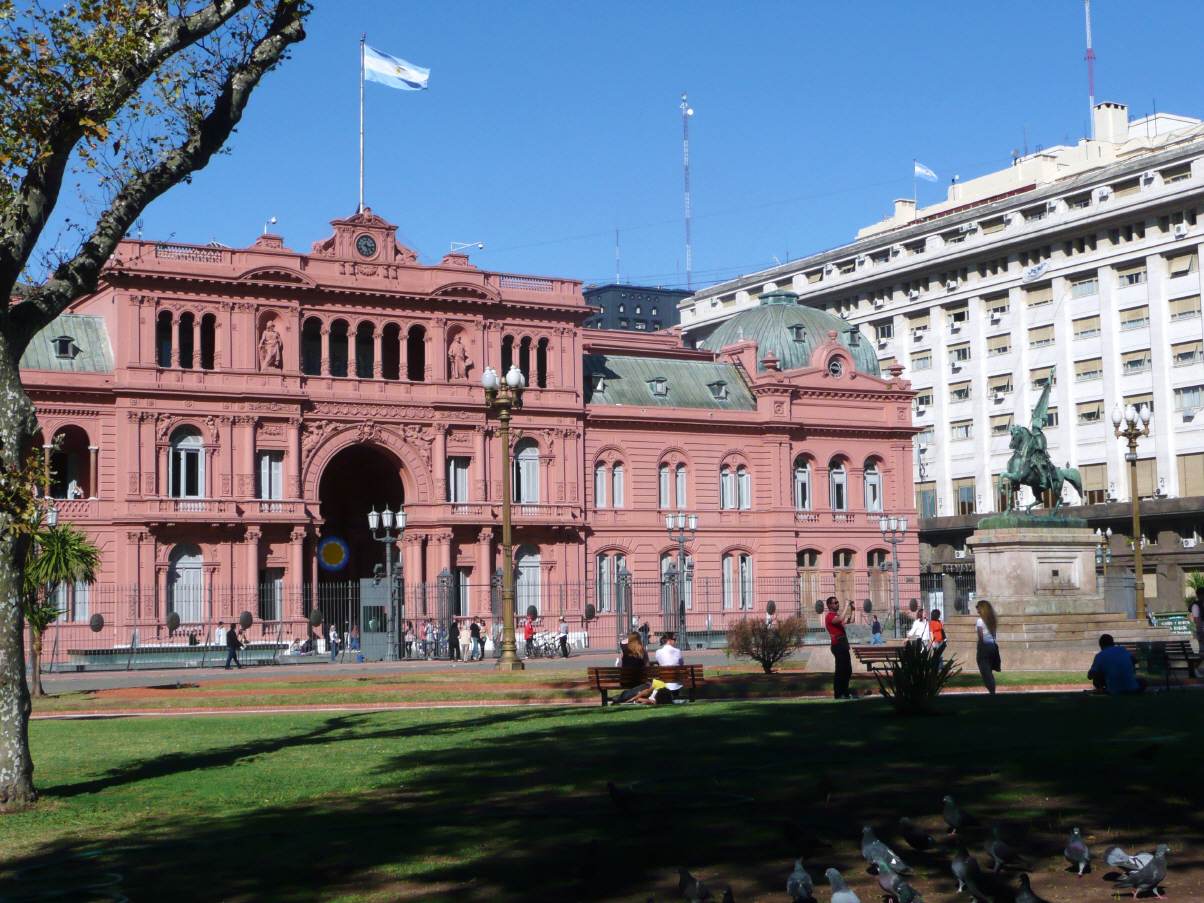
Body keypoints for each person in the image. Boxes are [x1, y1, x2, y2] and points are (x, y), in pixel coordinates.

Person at [825, 596, 855, 700]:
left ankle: (845, 692)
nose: (837, 604)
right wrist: (846, 605)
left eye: (838, 602)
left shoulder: (837, 616)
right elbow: (840, 619)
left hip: (844, 644)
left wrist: (853, 609)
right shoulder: (829, 617)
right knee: (840, 670)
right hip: (837, 645)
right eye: (835, 603)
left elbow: (851, 620)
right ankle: (838, 693)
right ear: (829, 605)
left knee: (848, 670)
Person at [975, 599, 1001, 695]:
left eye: (977, 607)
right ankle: (992, 690)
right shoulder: (992, 621)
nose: (976, 609)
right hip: (992, 646)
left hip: (984, 647)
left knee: (985, 670)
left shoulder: (980, 621)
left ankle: (991, 690)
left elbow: (981, 637)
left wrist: (979, 650)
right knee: (988, 670)